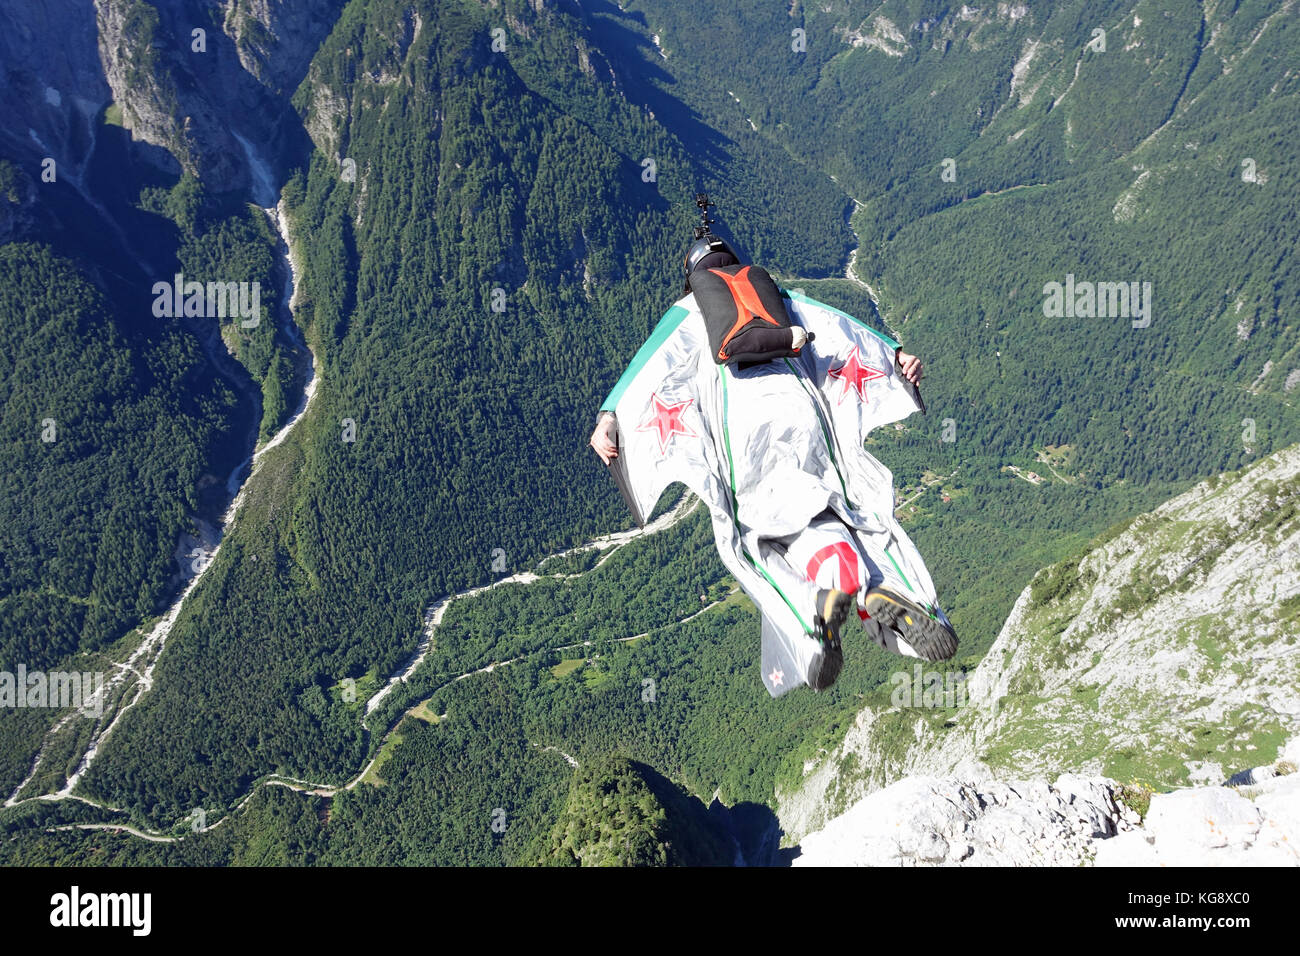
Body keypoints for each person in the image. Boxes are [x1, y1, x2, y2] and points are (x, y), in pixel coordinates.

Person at [589, 203, 957, 695]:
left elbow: (646, 369)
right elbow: (841, 327)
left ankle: (813, 618)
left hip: (749, 438)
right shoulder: (777, 295)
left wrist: (609, 416)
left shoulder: (688, 311)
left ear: (692, 278)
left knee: (756, 539)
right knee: (844, 510)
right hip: (804, 419)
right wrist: (895, 357)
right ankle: (890, 590)